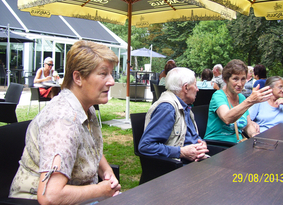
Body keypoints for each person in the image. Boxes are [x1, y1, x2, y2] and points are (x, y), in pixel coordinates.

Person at [9, 41, 121, 204]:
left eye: (111, 74)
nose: (111, 81)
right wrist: (100, 190)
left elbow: (88, 146)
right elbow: (49, 196)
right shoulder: (63, 121)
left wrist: (106, 171)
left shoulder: (85, 107)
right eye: (103, 73)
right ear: (77, 77)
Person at [139, 67, 209, 164]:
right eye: (195, 85)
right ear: (185, 88)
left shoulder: (184, 107)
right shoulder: (167, 109)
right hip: (177, 169)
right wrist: (182, 152)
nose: (197, 89)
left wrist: (201, 144)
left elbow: (191, 135)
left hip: (196, 163)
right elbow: (146, 146)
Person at [204, 59, 273, 143]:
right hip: (219, 145)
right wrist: (250, 100)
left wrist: (254, 135)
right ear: (226, 80)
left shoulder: (241, 98)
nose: (240, 84)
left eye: (243, 79)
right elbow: (227, 118)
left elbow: (248, 125)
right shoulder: (218, 95)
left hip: (238, 144)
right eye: (235, 79)